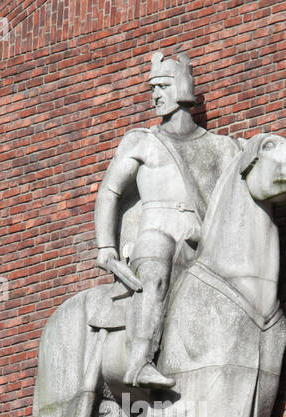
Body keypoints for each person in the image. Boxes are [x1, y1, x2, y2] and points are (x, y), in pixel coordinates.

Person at [93, 51, 240, 389]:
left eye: (162, 86)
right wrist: (106, 246)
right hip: (155, 239)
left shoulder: (222, 148)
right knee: (157, 257)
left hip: (201, 243)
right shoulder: (143, 142)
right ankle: (139, 362)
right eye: (152, 89)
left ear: (183, 88)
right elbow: (110, 192)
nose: (155, 95)